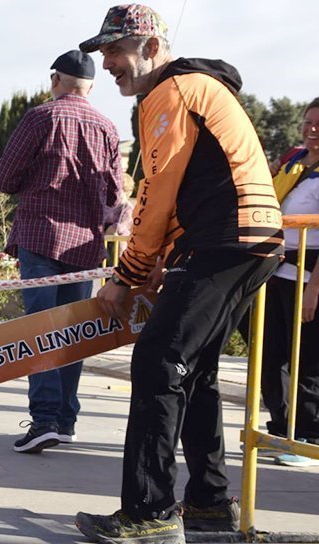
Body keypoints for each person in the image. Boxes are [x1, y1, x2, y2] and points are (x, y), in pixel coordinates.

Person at [75, 5, 284, 542]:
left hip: (224, 241)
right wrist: (158, 262)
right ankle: (210, 504)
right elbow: (190, 188)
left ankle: (149, 513)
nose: (108, 63)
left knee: (158, 361)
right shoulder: (197, 88)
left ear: (149, 47)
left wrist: (128, 273)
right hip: (247, 241)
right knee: (196, 369)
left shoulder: (169, 93)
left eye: (114, 51)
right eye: (102, 53)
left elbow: (157, 190)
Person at [0, 49, 123, 454]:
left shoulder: (40, 118)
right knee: (72, 334)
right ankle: (65, 419)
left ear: (55, 80)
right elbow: (116, 196)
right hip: (85, 246)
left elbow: (4, 177)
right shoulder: (108, 127)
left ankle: (45, 419)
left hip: (41, 236)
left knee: (40, 330)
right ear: (90, 86)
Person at [259, 97, 319, 467]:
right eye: (308, 122)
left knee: (308, 359)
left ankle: (310, 435)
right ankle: (283, 429)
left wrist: (315, 289)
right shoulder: (295, 162)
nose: (311, 129)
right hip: (278, 271)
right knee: (271, 355)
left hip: (309, 276)